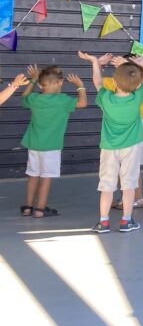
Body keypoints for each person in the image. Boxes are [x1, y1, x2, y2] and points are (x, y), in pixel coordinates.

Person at [80, 52, 143, 211]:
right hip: (131, 129)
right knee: (128, 168)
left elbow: (97, 82)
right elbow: (101, 80)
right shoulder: (134, 87)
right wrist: (101, 64)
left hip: (133, 127)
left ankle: (137, 198)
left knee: (131, 168)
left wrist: (96, 62)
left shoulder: (120, 84)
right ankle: (128, 201)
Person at [20, 65, 87, 217]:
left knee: (33, 175)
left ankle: (28, 207)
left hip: (34, 144)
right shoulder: (63, 100)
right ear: (60, 82)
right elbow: (82, 103)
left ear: (40, 85)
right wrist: (80, 87)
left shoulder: (34, 98)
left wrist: (33, 79)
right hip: (51, 146)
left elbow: (24, 98)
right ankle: (40, 210)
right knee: (46, 177)